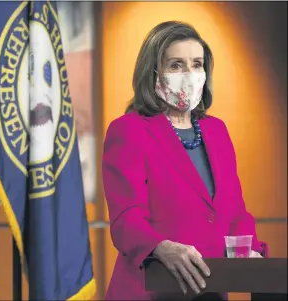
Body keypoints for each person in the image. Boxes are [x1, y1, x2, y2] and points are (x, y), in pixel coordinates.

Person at [102, 21, 267, 301]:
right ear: (153, 72)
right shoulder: (128, 130)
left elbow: (235, 213)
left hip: (209, 291)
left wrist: (250, 251)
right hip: (150, 290)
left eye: (197, 64)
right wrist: (160, 246)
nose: (189, 74)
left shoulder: (217, 131)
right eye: (176, 65)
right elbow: (126, 218)